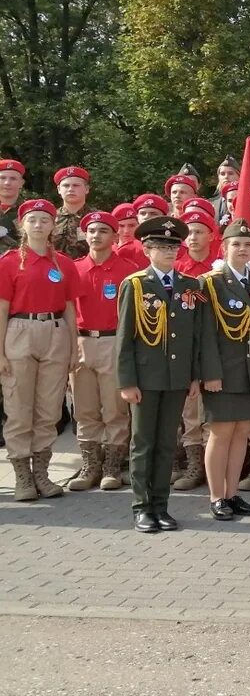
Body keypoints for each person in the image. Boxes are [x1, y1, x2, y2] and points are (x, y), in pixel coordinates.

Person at [114, 216, 201, 532]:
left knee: (167, 443)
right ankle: (141, 507)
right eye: (161, 246)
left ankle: (161, 506)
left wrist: (194, 375)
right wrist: (127, 381)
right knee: (143, 443)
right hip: (146, 378)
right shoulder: (136, 285)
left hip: (177, 377)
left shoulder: (190, 285)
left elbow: (194, 336)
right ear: (147, 250)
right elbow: (125, 337)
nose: (168, 252)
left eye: (173, 246)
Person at [198, 219, 250, 521]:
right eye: (236, 244)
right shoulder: (209, 283)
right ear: (224, 247)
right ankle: (216, 496)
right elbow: (204, 334)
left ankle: (232, 494)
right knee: (221, 434)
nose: (243, 249)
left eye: (247, 244)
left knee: (242, 433)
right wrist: (209, 373)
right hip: (223, 372)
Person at [0, 198, 80, 501]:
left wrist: (74, 349)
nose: (38, 225)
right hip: (19, 331)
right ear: (22, 224)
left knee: (48, 409)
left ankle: (41, 474)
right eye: (32, 220)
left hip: (55, 331)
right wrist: (0, 353)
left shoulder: (63, 263)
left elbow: (71, 308)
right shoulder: (8, 262)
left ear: (52, 225)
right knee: (19, 407)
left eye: (44, 220)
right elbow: (2, 308)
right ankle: (22, 476)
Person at [66, 211, 135, 493]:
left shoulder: (128, 270)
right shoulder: (74, 268)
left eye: (103, 231)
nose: (96, 236)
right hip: (81, 341)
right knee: (84, 410)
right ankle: (90, 466)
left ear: (115, 236)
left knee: (115, 409)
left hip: (113, 342)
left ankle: (112, 467)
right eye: (92, 230)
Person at [53, 166, 95, 258]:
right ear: (59, 189)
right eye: (66, 185)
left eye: (76, 185)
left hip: (87, 270)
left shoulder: (97, 218)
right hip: (54, 271)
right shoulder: (49, 218)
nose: (70, 189)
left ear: (87, 189)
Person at [0, 158, 24, 254]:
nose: (7, 183)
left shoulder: (28, 212)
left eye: (13, 178)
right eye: (2, 178)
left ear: (21, 183)